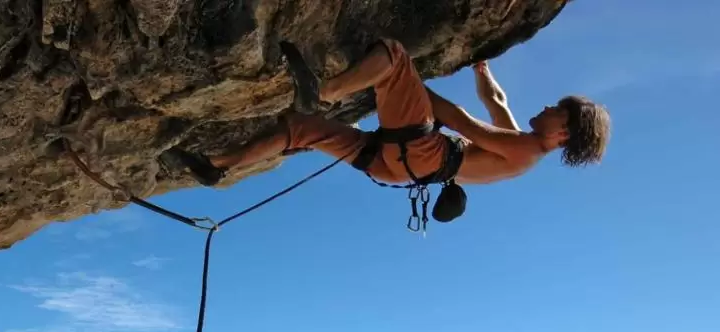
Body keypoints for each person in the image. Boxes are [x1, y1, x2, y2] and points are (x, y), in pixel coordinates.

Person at [160, 39, 610, 222]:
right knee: (300, 130)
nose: (549, 106)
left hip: (424, 155)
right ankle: (215, 166)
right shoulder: (519, 145)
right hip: (396, 168)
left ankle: (326, 90)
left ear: (564, 134)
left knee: (394, 56)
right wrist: (481, 65)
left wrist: (412, 87)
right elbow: (496, 104)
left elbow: (462, 122)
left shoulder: (528, 150)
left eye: (558, 111)